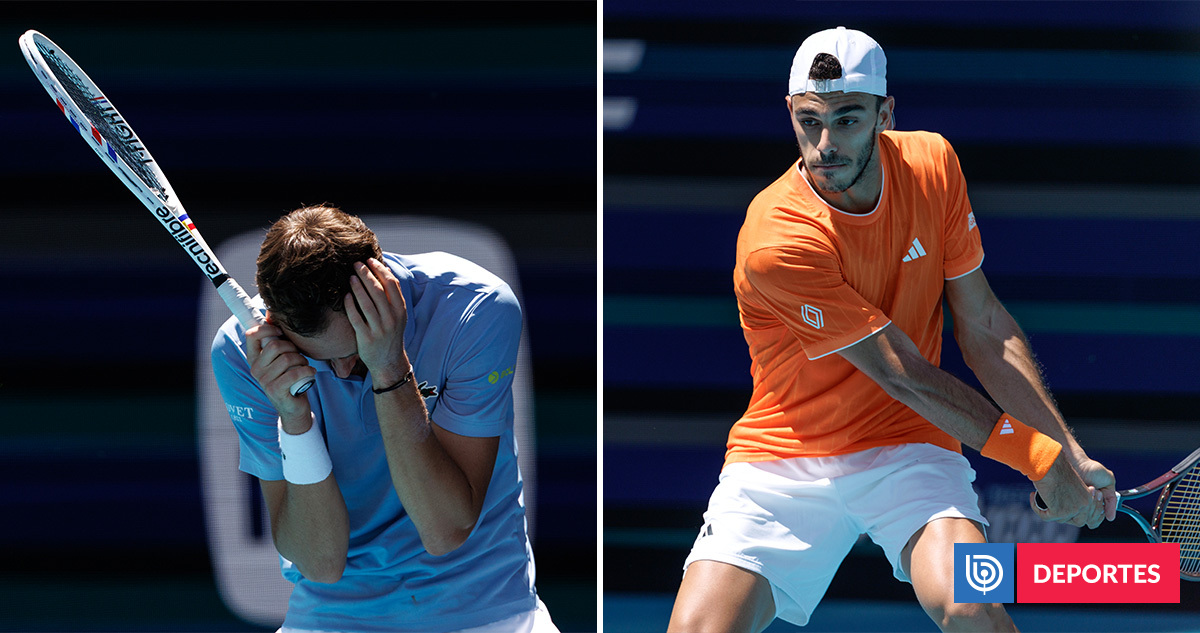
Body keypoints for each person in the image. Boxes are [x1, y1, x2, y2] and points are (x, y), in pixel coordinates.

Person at [666, 27, 1118, 633]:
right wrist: (1038, 457)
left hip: (911, 447)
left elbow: (983, 324)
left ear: (886, 114)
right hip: (786, 457)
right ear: (790, 114)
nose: (825, 144)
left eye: (847, 119)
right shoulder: (777, 239)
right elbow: (901, 372)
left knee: (971, 607)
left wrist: (1068, 450)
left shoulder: (933, 165)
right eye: (809, 121)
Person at [211, 205, 557, 633]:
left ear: (382, 289)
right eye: (322, 359)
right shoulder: (243, 353)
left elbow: (445, 529)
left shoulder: (476, 307)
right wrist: (294, 418)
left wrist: (389, 367)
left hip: (491, 612)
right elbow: (320, 562)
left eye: (354, 352)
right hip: (330, 619)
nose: (340, 373)